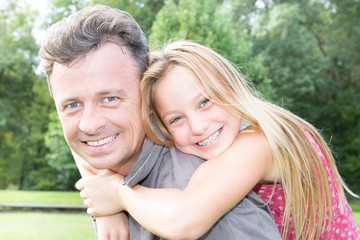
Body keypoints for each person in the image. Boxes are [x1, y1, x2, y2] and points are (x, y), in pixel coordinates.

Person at [39, 5, 282, 240]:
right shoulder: (112, 178)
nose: (88, 125)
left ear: (148, 97)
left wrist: (119, 194)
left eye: (110, 98)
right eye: (72, 105)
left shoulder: (202, 189)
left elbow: (183, 220)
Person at [76, 40, 360, 240]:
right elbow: (89, 139)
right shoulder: (229, 142)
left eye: (205, 102)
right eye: (176, 119)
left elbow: (182, 220)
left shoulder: (262, 142)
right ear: (163, 127)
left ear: (230, 87)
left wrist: (118, 193)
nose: (198, 126)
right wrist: (104, 203)